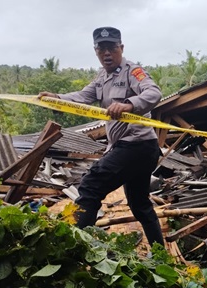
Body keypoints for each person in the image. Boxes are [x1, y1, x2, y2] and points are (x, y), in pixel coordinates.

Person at [39, 27, 164, 246]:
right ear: (96, 51)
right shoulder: (102, 77)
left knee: (90, 186)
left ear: (121, 48)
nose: (107, 53)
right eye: (102, 49)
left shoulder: (133, 71)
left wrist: (128, 105)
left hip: (136, 146)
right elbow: (83, 96)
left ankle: (76, 249)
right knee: (139, 205)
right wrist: (57, 98)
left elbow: (154, 93)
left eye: (112, 48)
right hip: (135, 148)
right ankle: (162, 254)